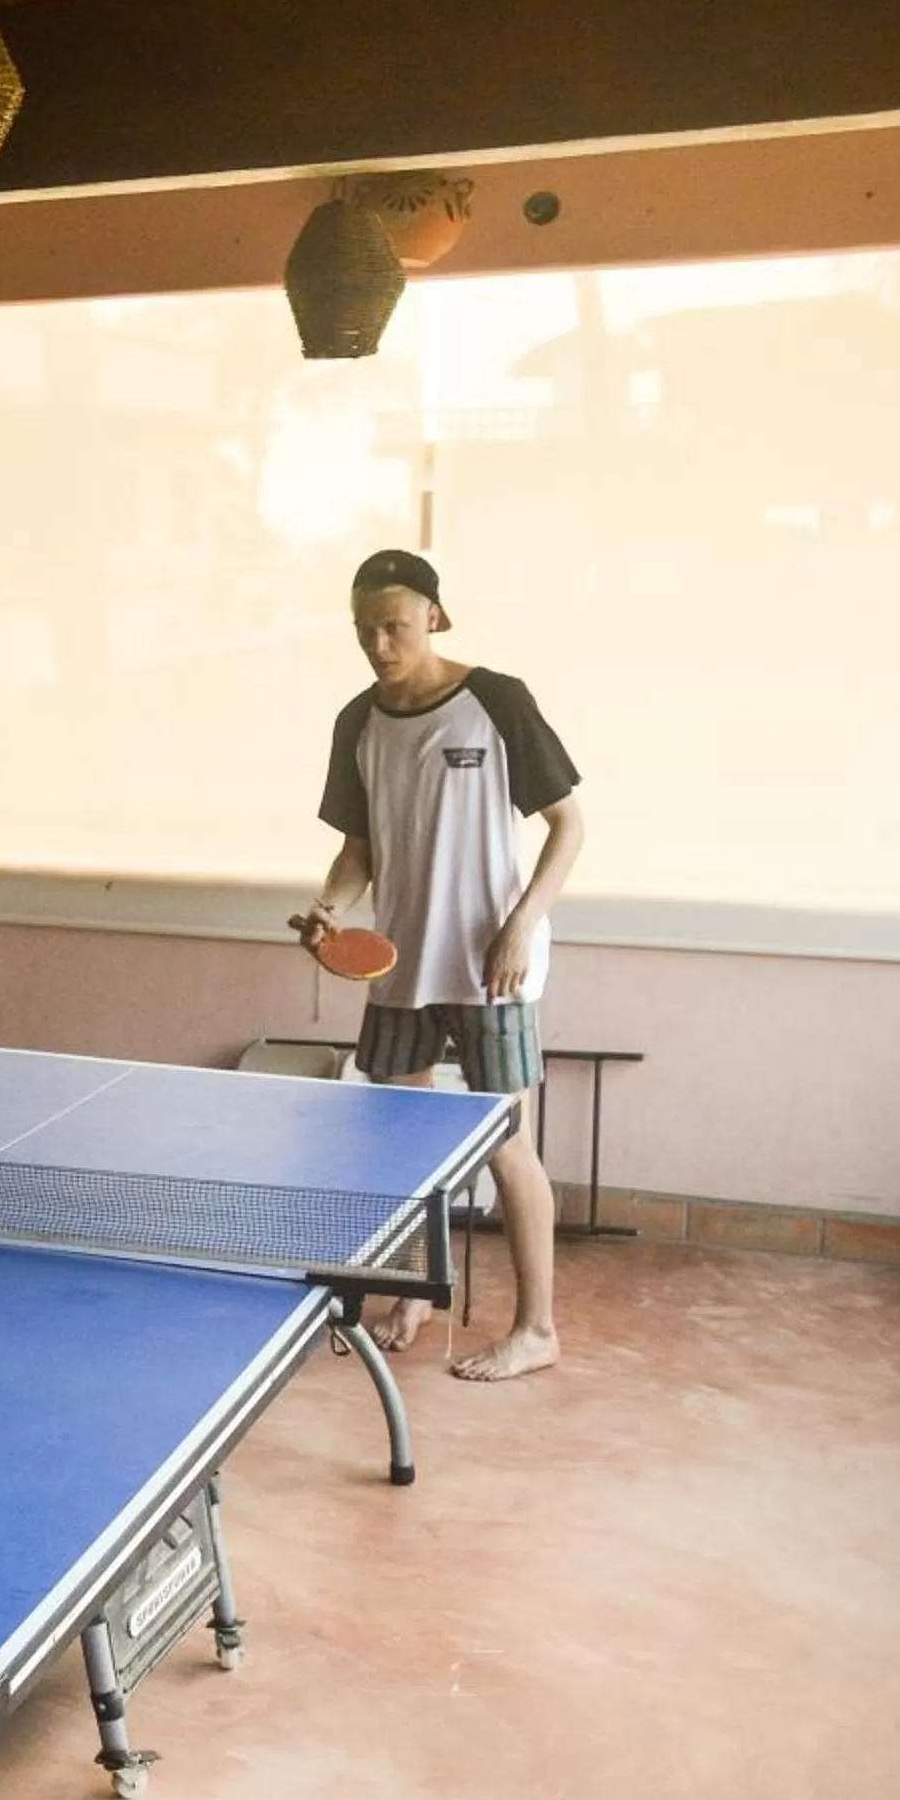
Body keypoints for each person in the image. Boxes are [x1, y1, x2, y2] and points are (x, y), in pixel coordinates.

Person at [294, 550, 585, 1382]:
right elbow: (360, 849)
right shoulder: (358, 721)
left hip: (492, 966)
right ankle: (415, 1292)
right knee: (408, 1146)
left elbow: (569, 825)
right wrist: (332, 908)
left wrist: (523, 926)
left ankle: (537, 1329)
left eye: (395, 624)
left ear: (435, 617)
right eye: (365, 629)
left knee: (506, 1147)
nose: (380, 643)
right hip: (401, 966)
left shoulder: (497, 701)